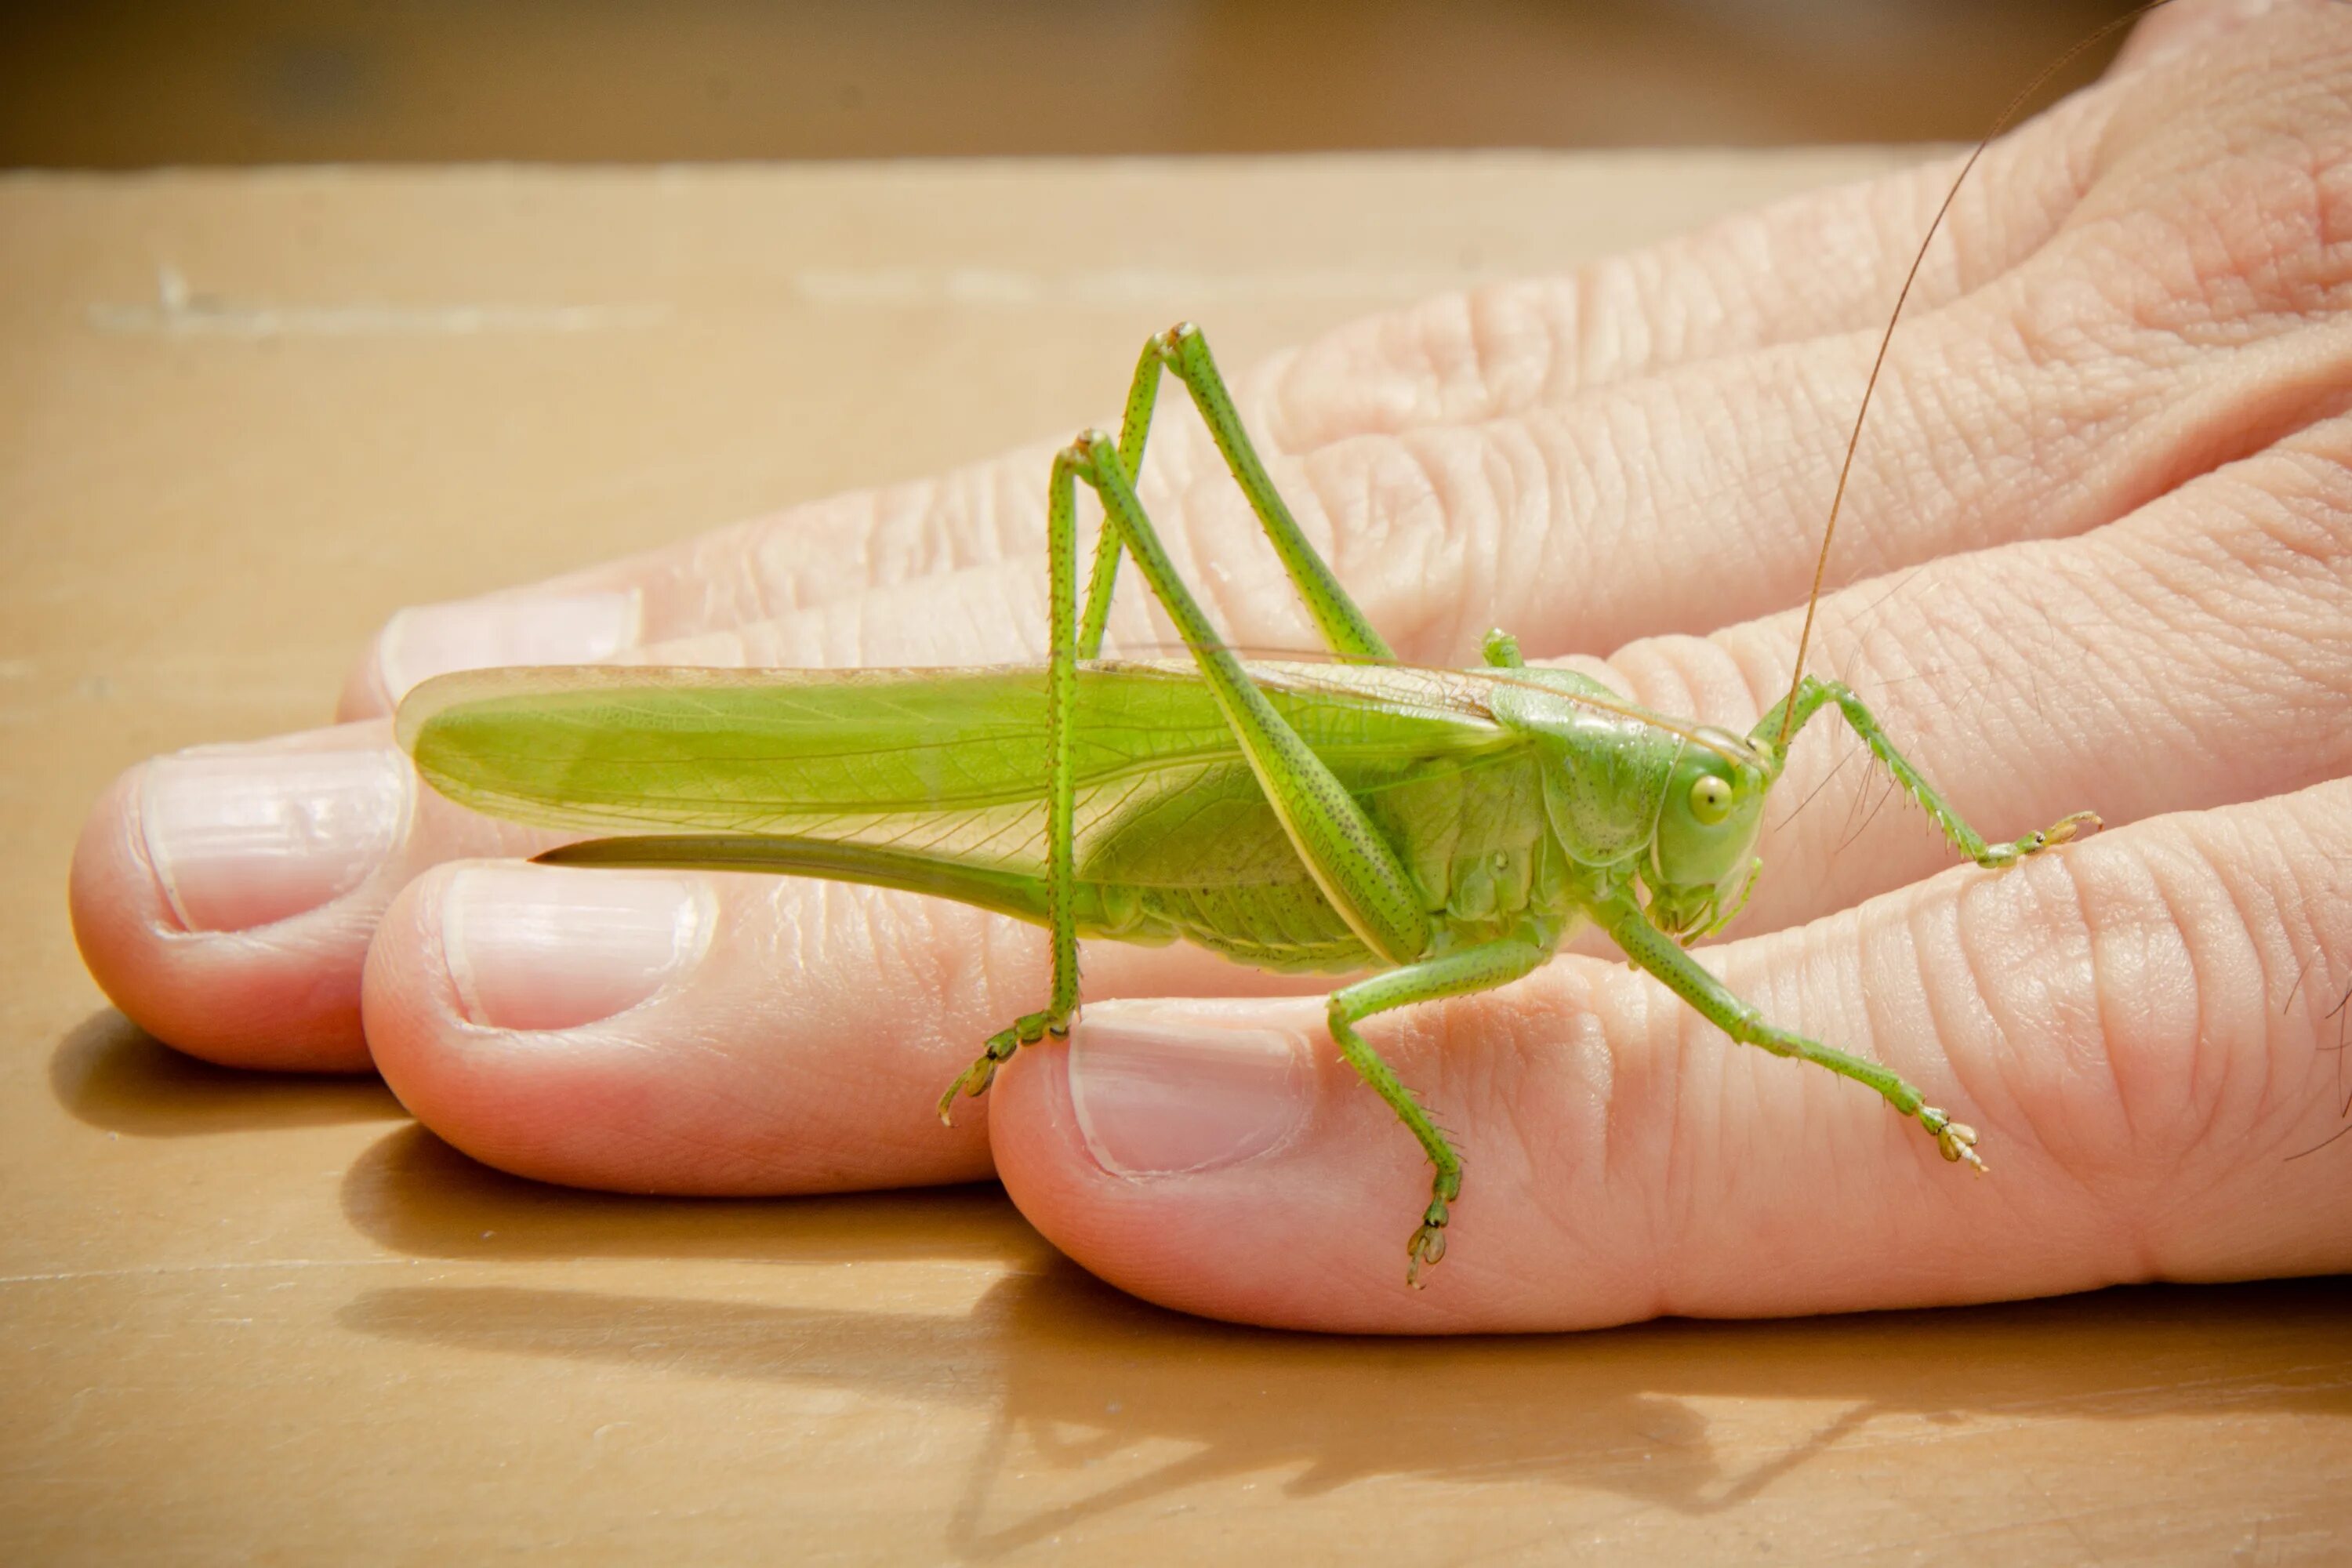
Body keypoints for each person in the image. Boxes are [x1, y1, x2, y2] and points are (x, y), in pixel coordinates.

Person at [69, 0, 2351, 1332]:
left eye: (1707, 808)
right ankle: (1046, 949)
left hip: (1370, 810)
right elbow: (1396, 1003)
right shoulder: (1534, 882)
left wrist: (1990, 854)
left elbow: (1835, 707)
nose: (1723, 837)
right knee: (1158, 497)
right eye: (1696, 814)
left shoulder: (1709, 771)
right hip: (1304, 847)